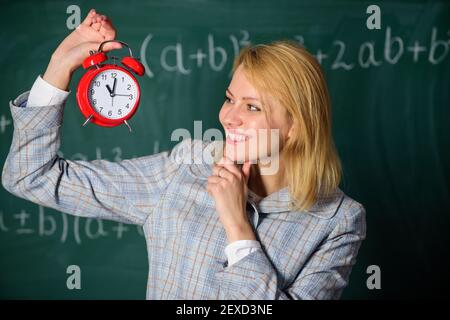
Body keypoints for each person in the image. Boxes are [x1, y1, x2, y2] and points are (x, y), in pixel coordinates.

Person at [2, 9, 366, 300]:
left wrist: (237, 227)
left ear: (295, 126)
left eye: (252, 107)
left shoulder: (337, 221)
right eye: (229, 98)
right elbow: (31, 176)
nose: (228, 117)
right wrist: (58, 67)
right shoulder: (185, 169)